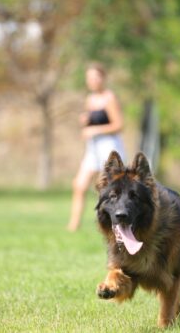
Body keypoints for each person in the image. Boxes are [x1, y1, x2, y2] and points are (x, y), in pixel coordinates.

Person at [67, 62, 125, 232]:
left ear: (103, 78)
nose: (92, 81)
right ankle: (74, 225)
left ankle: (116, 223)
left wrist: (95, 129)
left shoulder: (109, 97)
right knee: (79, 184)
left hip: (109, 146)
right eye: (89, 78)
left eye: (95, 77)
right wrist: (86, 121)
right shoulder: (90, 99)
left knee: (111, 188)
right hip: (93, 148)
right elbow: (92, 122)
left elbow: (119, 125)